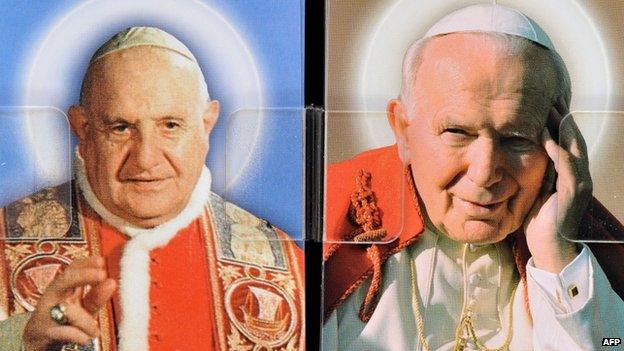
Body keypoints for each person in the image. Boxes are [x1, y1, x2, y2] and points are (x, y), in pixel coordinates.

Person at [322, 4, 624, 350]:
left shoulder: (588, 253)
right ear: (403, 131)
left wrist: (556, 253)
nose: (484, 173)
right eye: (457, 132)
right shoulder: (324, 231)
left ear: (558, 143)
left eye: (516, 138)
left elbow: (611, 343)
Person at [0, 27, 304, 351]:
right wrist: (18, 339)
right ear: (83, 131)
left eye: (170, 125)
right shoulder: (5, 241)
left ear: (206, 126)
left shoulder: (286, 267)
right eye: (120, 128)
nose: (145, 159)